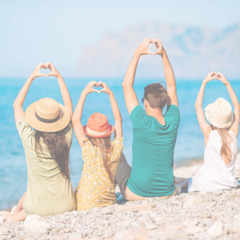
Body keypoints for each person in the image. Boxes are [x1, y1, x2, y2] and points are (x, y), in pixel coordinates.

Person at [7, 62, 76, 221]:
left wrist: (31, 77)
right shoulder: (66, 138)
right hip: (66, 206)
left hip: (36, 208)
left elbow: (17, 105)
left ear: (36, 120)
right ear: (58, 119)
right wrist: (59, 76)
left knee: (26, 201)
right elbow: (69, 105)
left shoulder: (29, 140)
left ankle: (12, 217)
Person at [115, 38, 180, 201]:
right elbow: (171, 87)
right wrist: (163, 55)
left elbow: (126, 86)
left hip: (136, 194)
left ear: (145, 103)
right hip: (167, 192)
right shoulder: (173, 120)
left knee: (118, 162)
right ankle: (180, 185)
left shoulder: (141, 122)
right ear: (165, 102)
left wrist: (137, 53)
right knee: (131, 168)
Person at [178, 72, 240, 192]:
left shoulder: (210, 135)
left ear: (212, 120)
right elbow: (237, 107)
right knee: (190, 179)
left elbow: (198, 107)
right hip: (227, 183)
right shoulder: (233, 134)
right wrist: (227, 83)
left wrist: (204, 82)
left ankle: (177, 187)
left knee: (188, 181)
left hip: (209, 183)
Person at [72, 81, 123, 211]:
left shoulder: (89, 150)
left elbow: (75, 120)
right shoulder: (116, 150)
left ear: (88, 133)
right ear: (108, 133)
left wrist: (84, 93)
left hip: (85, 205)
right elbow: (118, 120)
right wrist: (111, 94)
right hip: (109, 203)